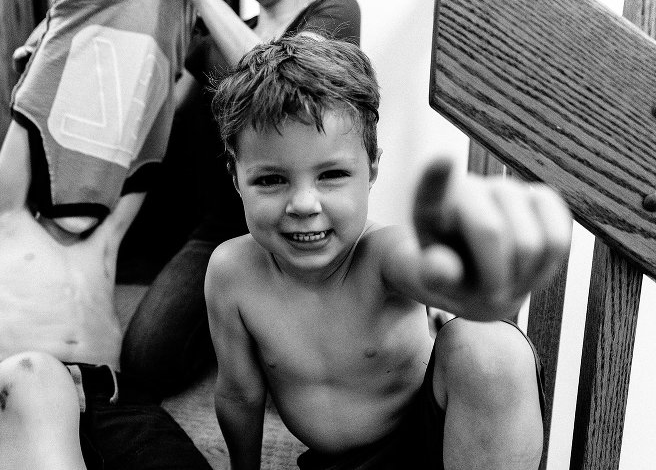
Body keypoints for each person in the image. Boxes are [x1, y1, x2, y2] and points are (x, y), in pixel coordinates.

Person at [205, 34, 572, 469]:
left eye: (332, 174)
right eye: (270, 180)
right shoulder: (231, 274)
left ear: (372, 167)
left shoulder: (383, 256)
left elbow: (428, 273)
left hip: (435, 444)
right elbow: (239, 394)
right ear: (235, 177)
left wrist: (474, 290)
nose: (304, 204)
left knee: (491, 345)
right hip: (336, 464)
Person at [0, 0, 210, 468]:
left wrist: (178, 28)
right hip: (12, 393)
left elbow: (151, 135)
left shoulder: (105, 236)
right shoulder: (9, 220)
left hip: (113, 398)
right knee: (35, 376)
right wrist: (75, 8)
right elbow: (33, 109)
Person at [121, 0, 362, 398]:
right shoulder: (212, 36)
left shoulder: (335, 10)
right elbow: (151, 124)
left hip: (306, 222)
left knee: (310, 378)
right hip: (220, 230)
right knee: (144, 364)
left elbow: (294, 84)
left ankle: (256, 321)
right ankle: (238, 322)